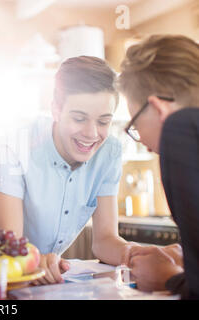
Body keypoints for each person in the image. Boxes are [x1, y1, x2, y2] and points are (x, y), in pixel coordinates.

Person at [0, 56, 138, 284]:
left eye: (103, 122)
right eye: (79, 118)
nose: (92, 133)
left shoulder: (110, 152)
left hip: (44, 278)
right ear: (55, 110)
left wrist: (137, 255)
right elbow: (12, 246)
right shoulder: (15, 145)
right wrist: (34, 261)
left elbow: (104, 240)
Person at [118, 34, 199, 299]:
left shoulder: (180, 128)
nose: (142, 141)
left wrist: (168, 278)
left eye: (135, 124)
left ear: (158, 107)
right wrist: (186, 254)